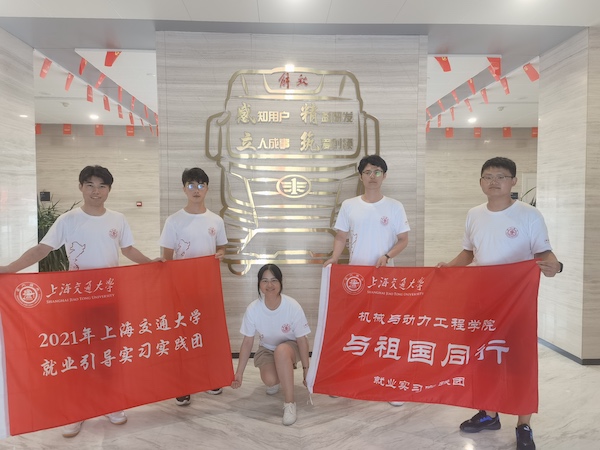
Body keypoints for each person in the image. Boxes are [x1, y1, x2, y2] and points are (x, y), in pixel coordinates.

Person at [0, 165, 159, 438]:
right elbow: (42, 249)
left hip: (109, 299)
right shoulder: (68, 220)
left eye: (102, 186)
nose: (96, 191)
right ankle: (76, 411)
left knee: (108, 354)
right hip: (76, 299)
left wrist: (151, 264)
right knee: (77, 356)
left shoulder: (118, 219)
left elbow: (128, 249)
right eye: (90, 185)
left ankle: (111, 404)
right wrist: (9, 269)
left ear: (109, 190)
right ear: (81, 187)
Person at [437, 156, 562, 450]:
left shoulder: (529, 215)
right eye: (488, 176)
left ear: (513, 182)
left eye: (501, 176)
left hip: (517, 301)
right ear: (481, 182)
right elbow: (469, 252)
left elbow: (543, 252)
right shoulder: (474, 214)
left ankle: (523, 424)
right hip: (481, 299)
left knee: (519, 362)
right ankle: (489, 414)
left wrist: (555, 266)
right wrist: (448, 268)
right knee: (484, 358)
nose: (494, 181)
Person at [323, 154, 410, 406]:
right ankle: (345, 379)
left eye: (378, 172)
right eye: (368, 172)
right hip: (356, 281)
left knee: (386, 332)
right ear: (361, 176)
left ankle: (389, 384)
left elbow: (403, 239)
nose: (373, 176)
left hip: (385, 280)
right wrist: (334, 258)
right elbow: (341, 236)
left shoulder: (394, 206)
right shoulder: (349, 205)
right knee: (353, 330)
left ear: (385, 176)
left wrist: (387, 255)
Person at [159, 167, 227, 405]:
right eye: (191, 185)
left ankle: (210, 379)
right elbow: (166, 257)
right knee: (183, 337)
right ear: (184, 189)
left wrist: (220, 254)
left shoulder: (216, 220)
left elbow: (221, 247)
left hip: (208, 288)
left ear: (207, 188)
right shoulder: (174, 220)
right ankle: (183, 384)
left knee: (208, 334)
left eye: (200, 185)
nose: (196, 190)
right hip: (182, 289)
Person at [231, 264, 310, 426]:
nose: (269, 285)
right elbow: (247, 342)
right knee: (270, 380)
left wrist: (306, 370)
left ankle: (289, 403)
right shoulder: (253, 309)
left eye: (274, 280)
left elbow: (302, 340)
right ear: (259, 284)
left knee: (281, 351)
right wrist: (239, 373)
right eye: (265, 281)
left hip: (291, 347)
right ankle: (280, 375)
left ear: (280, 282)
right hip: (266, 348)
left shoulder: (292, 306)